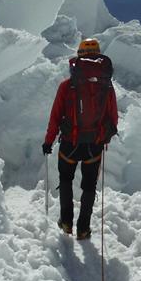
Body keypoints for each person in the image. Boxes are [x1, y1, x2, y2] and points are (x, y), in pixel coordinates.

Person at [42, 39, 118, 240]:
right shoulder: (107, 87)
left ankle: (66, 222)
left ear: (79, 56)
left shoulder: (68, 85)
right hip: (94, 145)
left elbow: (55, 117)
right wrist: (104, 139)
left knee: (66, 180)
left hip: (70, 144)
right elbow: (113, 117)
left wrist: (49, 141)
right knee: (89, 186)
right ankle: (83, 228)